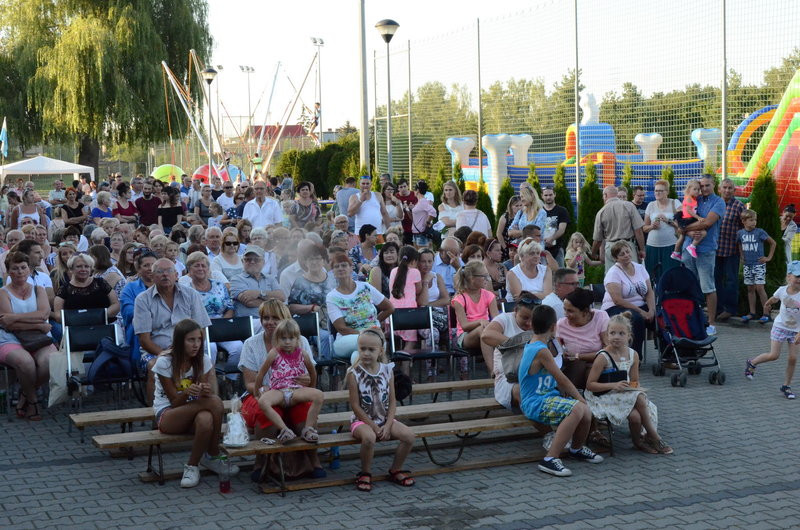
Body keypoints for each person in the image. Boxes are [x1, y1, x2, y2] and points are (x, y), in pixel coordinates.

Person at [238, 299, 325, 480]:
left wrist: (308, 380)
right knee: (266, 410)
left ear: (285, 319)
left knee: (303, 409)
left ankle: (313, 459)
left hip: (294, 391)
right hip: (263, 393)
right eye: (265, 318)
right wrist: (264, 388)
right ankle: (261, 462)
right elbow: (249, 383)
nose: (269, 322)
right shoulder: (251, 344)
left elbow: (311, 375)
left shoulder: (299, 341)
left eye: (275, 318)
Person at [152, 319, 238, 488]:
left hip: (194, 410)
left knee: (206, 418)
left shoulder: (203, 360)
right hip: (168, 414)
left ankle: (192, 466)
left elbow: (202, 398)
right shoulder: (164, 362)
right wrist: (186, 393)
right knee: (214, 402)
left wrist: (204, 391)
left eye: (199, 339)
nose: (196, 344)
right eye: (191, 340)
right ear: (179, 341)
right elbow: (175, 402)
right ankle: (213, 454)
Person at [519, 305, 603, 477]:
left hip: (546, 398)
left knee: (585, 411)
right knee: (578, 407)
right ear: (552, 327)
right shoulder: (540, 350)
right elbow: (562, 379)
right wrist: (580, 398)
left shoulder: (539, 344)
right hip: (535, 402)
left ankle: (576, 448)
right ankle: (550, 459)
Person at [585, 312, 672, 454]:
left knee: (636, 415)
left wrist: (636, 388)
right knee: (639, 398)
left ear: (629, 336)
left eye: (621, 333)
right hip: (604, 396)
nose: (616, 337)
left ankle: (638, 442)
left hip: (623, 395)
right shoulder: (602, 356)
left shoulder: (633, 355)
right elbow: (590, 385)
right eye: (612, 333)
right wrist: (613, 385)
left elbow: (634, 382)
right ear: (607, 335)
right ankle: (654, 436)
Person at [133, 258, 212, 404]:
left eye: (169, 271)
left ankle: (204, 404)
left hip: (189, 350)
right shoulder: (142, 300)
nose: (165, 275)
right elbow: (144, 340)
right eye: (160, 272)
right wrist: (167, 354)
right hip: (157, 351)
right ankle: (155, 414)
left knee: (206, 363)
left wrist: (193, 350)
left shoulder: (191, 295)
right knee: (154, 366)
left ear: (176, 275)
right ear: (152, 276)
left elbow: (201, 329)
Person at [347, 328, 416, 491]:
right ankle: (365, 472)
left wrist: (388, 424)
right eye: (362, 349)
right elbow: (355, 406)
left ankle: (395, 469)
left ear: (380, 351)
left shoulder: (387, 370)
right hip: (362, 421)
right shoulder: (354, 373)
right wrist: (375, 427)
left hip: (385, 418)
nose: (366, 353)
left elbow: (392, 401)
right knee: (369, 438)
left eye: (371, 349)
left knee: (409, 436)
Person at [0, 252, 58, 421]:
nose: (19, 272)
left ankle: (25, 394)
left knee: (50, 361)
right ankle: (33, 402)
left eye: (23, 268)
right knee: (25, 362)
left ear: (29, 270)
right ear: (9, 272)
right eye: (15, 269)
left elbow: (44, 313)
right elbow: (8, 324)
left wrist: (16, 317)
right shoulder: (2, 293)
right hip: (10, 339)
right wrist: (39, 324)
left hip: (38, 338)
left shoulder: (38, 290)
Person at [253, 319, 324, 443]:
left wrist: (310, 388)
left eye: (291, 338)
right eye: (283, 338)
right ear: (277, 339)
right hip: (278, 391)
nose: (287, 342)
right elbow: (261, 374)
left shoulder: (303, 354)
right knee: (263, 402)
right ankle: (285, 430)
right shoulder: (274, 353)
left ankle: (308, 429)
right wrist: (256, 393)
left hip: (296, 391)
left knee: (319, 395)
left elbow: (313, 372)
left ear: (297, 339)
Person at [680, 175, 727, 335]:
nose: (704, 188)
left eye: (707, 185)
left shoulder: (718, 202)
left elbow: (707, 222)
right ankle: (691, 319)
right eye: (701, 186)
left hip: (706, 250)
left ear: (714, 185)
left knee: (708, 287)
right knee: (689, 286)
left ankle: (711, 323)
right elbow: (682, 216)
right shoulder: (695, 198)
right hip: (688, 249)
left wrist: (685, 229)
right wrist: (682, 227)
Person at [745, 261, 800, 399]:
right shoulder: (782, 290)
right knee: (774, 355)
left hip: (796, 330)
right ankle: (752, 362)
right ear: (789, 277)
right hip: (780, 326)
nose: (799, 279)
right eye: (797, 276)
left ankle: (786, 386)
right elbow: (774, 299)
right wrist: (767, 305)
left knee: (793, 358)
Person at [327, 253, 394, 363]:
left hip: (374, 335)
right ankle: (383, 371)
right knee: (371, 342)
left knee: (356, 356)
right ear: (333, 272)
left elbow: (389, 307)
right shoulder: (332, 297)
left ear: (351, 268)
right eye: (336, 266)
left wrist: (376, 322)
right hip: (346, 339)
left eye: (344, 265)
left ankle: (359, 379)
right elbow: (342, 329)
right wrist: (367, 333)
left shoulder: (365, 287)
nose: (340, 269)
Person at [480, 293, 540, 411]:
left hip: (534, 377)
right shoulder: (505, 319)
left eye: (533, 319)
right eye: (525, 318)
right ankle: (550, 430)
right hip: (507, 380)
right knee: (525, 393)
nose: (529, 323)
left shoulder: (541, 322)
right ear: (516, 310)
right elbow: (486, 335)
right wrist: (519, 344)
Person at [601, 241, 655, 358]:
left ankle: (669, 356)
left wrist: (651, 310)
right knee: (637, 319)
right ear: (616, 258)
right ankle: (635, 357)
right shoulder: (613, 273)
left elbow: (650, 291)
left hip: (640, 305)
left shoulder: (640, 268)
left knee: (661, 317)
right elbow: (617, 300)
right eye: (622, 254)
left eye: (627, 251)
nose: (626, 255)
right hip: (616, 307)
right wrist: (642, 312)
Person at [452, 261, 499, 378]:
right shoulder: (460, 298)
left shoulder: (489, 295)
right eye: (484, 276)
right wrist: (480, 322)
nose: (487, 279)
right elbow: (464, 326)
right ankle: (493, 371)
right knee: (482, 331)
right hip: (465, 337)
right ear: (472, 278)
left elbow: (497, 319)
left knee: (493, 331)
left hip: (485, 331)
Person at [592, 185, 646, 271]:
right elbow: (638, 231)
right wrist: (642, 249)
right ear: (616, 194)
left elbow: (598, 239)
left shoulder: (601, 212)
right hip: (628, 247)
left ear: (605, 195)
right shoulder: (629, 206)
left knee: (613, 278)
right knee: (631, 277)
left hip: (611, 248)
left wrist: (593, 253)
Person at [737, 210, 776, 322]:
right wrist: (741, 256)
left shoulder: (760, 232)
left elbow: (773, 243)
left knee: (760, 287)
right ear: (743, 221)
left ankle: (766, 313)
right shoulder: (740, 233)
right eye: (751, 220)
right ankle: (752, 313)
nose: (754, 222)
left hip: (758, 264)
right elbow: (739, 243)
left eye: (755, 220)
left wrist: (768, 257)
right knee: (750, 288)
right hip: (747, 265)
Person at [229, 245, 285, 321]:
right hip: (249, 322)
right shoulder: (236, 279)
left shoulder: (270, 278)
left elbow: (281, 297)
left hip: (272, 321)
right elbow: (249, 302)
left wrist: (259, 293)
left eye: (256, 260)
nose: (252, 262)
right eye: (248, 259)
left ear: (263, 262)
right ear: (243, 261)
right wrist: (274, 302)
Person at [642, 179, 682, 281]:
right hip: (652, 246)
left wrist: (668, 221)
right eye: (656, 191)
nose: (657, 193)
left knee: (671, 276)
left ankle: (670, 297)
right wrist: (652, 226)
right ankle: (655, 296)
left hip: (671, 246)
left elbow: (683, 225)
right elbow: (644, 228)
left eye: (661, 191)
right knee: (652, 276)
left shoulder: (675, 203)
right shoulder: (650, 205)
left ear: (667, 192)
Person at [416, 248, 450, 359]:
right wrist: (425, 282)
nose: (426, 264)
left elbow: (446, 299)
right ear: (417, 262)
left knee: (455, 332)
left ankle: (463, 372)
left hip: (439, 317)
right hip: (422, 319)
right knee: (433, 334)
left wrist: (429, 306)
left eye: (429, 261)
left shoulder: (437, 277)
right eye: (423, 261)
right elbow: (421, 302)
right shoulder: (415, 278)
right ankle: (431, 372)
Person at [389, 246, 422, 348]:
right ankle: (405, 364)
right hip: (409, 314)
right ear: (414, 261)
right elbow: (419, 290)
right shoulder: (415, 272)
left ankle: (392, 362)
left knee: (394, 343)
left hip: (393, 313)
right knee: (410, 341)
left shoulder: (393, 271)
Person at [670, 180, 706, 260]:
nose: (697, 191)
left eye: (698, 189)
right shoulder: (689, 198)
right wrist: (698, 218)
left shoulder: (690, 197)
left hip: (686, 218)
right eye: (695, 189)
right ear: (689, 189)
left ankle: (675, 252)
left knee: (682, 236)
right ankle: (692, 246)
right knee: (703, 232)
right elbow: (689, 210)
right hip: (689, 219)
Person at [540, 186, 569, 265]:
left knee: (559, 274)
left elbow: (562, 229)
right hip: (541, 248)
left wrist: (551, 239)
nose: (548, 197)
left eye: (550, 195)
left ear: (554, 195)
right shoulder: (539, 212)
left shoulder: (562, 210)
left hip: (557, 248)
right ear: (542, 196)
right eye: (546, 195)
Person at [411, 181, 437, 248]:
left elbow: (433, 212)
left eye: (414, 189)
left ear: (417, 190)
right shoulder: (420, 202)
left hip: (421, 233)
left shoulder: (422, 201)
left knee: (422, 255)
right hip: (416, 232)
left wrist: (428, 221)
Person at [496, 196, 522, 262]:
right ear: (511, 206)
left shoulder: (523, 216)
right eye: (516, 206)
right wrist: (505, 247)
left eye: (520, 205)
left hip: (519, 247)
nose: (519, 208)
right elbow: (499, 233)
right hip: (507, 246)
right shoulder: (505, 217)